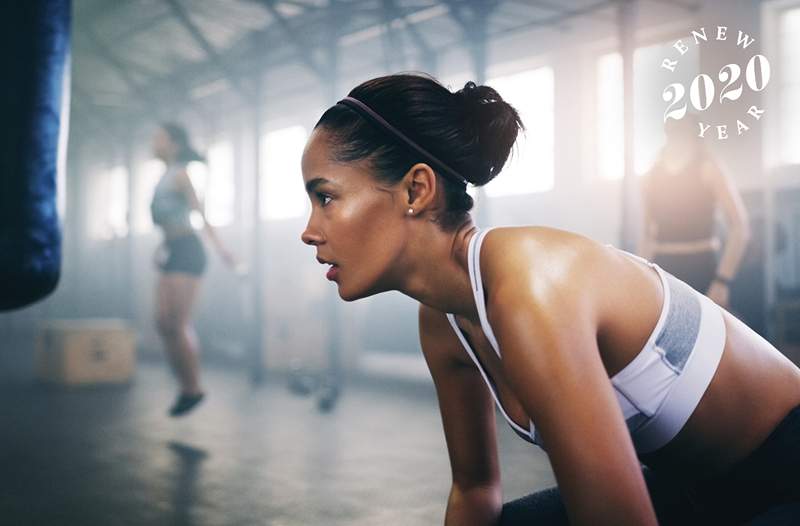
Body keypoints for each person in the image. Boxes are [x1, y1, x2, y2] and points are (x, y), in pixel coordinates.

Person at [299, 74, 800, 525]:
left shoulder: (531, 284)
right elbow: (475, 492)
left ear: (416, 188)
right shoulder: (442, 321)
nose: (308, 231)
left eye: (326, 197)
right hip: (698, 491)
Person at [150, 123, 237, 417]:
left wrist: (224, 251)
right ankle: (185, 387)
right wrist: (162, 247)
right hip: (173, 249)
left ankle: (192, 388)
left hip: (188, 250)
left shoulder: (181, 175)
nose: (153, 141)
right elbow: (167, 222)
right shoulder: (163, 176)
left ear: (173, 143)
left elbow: (201, 215)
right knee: (162, 323)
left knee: (177, 322)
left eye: (158, 137)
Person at [640, 115, 751, 309]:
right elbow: (648, 235)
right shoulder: (651, 175)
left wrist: (722, 281)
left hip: (702, 269)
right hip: (663, 270)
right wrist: (641, 278)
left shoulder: (709, 168)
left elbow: (740, 227)